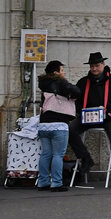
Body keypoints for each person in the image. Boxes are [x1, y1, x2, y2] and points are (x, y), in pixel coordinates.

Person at [68, 51, 111, 189]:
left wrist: (110, 113)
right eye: (92, 66)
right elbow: (75, 102)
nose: (94, 69)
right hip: (88, 117)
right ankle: (86, 159)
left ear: (103, 65)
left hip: (110, 118)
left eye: (97, 65)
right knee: (69, 130)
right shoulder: (83, 82)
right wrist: (81, 112)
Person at [36, 60, 80, 191]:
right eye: (62, 70)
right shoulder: (60, 82)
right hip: (59, 124)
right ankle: (56, 183)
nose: (64, 73)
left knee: (45, 154)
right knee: (58, 155)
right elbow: (76, 91)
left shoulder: (43, 84)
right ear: (55, 72)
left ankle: (42, 182)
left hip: (43, 125)